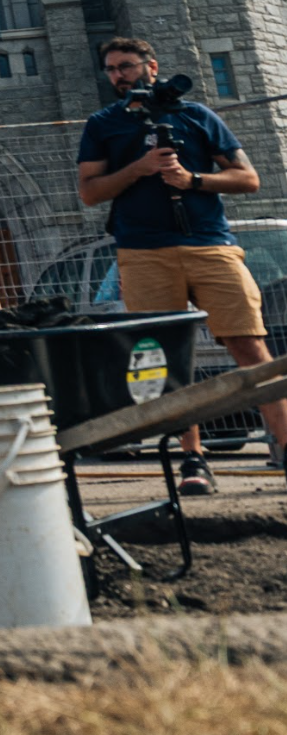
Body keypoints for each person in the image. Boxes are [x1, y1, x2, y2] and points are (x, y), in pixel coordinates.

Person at [78, 36, 286, 494]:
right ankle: (193, 459)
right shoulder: (103, 124)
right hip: (143, 252)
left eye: (126, 66)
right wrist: (139, 168)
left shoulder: (196, 116)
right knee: (166, 357)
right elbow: (89, 192)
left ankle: (285, 445)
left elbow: (247, 178)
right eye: (111, 69)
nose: (118, 76)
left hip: (211, 245)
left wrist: (192, 180)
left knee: (251, 348)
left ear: (151, 66)